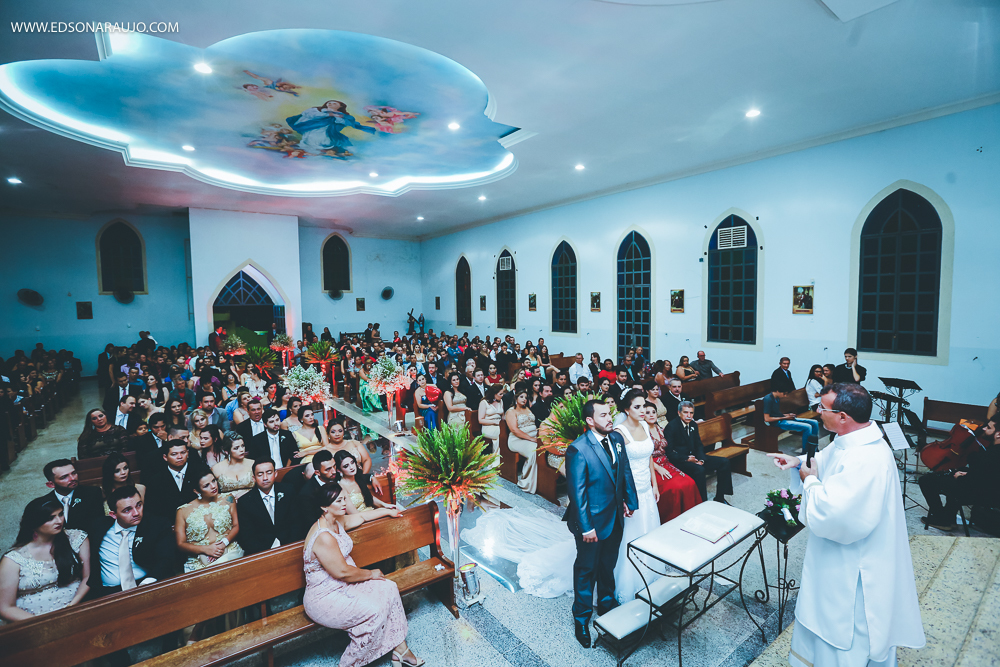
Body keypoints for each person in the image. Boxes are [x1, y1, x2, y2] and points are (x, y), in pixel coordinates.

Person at [768, 384, 925, 667]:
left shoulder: (866, 458)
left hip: (853, 565)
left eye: (822, 408)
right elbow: (827, 463)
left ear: (842, 416)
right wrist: (798, 463)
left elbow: (836, 516)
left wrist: (810, 481)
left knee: (844, 627)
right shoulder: (851, 440)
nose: (817, 411)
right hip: (832, 560)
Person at [302, 484, 418, 667]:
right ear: (324, 507)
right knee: (373, 611)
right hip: (325, 596)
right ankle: (349, 664)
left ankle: (400, 650)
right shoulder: (323, 536)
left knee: (389, 587)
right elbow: (343, 572)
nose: (344, 503)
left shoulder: (337, 521)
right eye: (339, 500)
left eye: (344, 498)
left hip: (344, 584)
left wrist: (387, 512)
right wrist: (371, 573)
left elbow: (362, 516)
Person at [565, 399, 639, 648]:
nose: (610, 418)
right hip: (592, 522)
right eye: (604, 415)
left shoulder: (616, 440)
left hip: (615, 517)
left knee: (608, 565)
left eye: (610, 413)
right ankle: (581, 618)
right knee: (586, 570)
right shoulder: (578, 449)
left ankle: (607, 604)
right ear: (590, 421)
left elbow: (624, 471)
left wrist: (629, 500)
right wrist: (586, 527)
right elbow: (578, 494)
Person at [0, 497, 90, 623]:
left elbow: (88, 577)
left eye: (60, 514)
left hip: (76, 610)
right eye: (50, 518)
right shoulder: (13, 560)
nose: (59, 521)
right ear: (33, 523)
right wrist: (44, 623)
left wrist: (72, 606)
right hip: (33, 624)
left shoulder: (76, 539)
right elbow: (5, 608)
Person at [611, 390, 662, 603]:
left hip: (647, 490)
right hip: (630, 492)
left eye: (644, 406)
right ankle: (628, 584)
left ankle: (653, 576)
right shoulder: (619, 432)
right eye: (637, 407)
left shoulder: (644, 426)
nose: (642, 411)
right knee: (630, 538)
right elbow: (617, 468)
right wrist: (623, 498)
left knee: (649, 530)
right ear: (626, 409)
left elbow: (649, 456)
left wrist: (655, 484)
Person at [88, 485, 176, 598]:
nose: (136, 513)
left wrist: (146, 584)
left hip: (146, 584)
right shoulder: (98, 527)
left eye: (139, 505)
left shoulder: (157, 525)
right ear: (113, 515)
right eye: (127, 510)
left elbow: (166, 559)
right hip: (108, 592)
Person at [919, 418, 1000, 530]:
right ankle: (948, 517)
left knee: (926, 480)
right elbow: (986, 475)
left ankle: (941, 519)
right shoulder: (992, 450)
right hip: (991, 493)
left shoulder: (990, 456)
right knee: (957, 475)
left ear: (998, 434)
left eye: (989, 427)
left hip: (982, 495)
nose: (984, 428)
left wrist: (960, 477)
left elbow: (975, 481)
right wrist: (967, 473)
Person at [175, 468, 243, 572]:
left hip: (229, 551)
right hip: (199, 559)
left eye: (213, 480)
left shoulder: (228, 499)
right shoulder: (182, 511)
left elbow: (236, 525)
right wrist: (206, 549)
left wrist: (224, 543)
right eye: (206, 485)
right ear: (196, 491)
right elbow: (181, 544)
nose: (213, 486)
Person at [665, 401, 733, 504]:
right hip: (681, 460)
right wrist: (687, 459)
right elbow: (670, 453)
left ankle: (720, 497)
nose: (689, 416)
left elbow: (698, 445)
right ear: (679, 413)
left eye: (691, 413)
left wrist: (701, 459)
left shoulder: (693, 424)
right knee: (699, 470)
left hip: (695, 458)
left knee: (724, 462)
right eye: (685, 412)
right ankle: (702, 502)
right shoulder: (671, 427)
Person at [644, 402, 701, 522]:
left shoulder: (659, 428)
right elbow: (644, 456)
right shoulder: (642, 431)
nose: (651, 415)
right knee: (675, 487)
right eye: (647, 413)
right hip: (652, 466)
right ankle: (672, 519)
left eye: (653, 412)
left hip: (666, 461)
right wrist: (658, 468)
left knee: (689, 482)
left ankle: (691, 515)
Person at [237, 459, 301, 554]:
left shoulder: (288, 490)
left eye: (269, 473)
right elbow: (247, 536)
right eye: (260, 474)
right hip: (262, 552)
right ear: (254, 478)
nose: (265, 478)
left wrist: (290, 547)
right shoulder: (245, 502)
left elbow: (296, 522)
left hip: (290, 545)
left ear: (275, 474)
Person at [40, 459, 105, 532]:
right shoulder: (44, 503)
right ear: (51, 484)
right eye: (64, 477)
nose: (73, 478)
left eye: (74, 473)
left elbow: (99, 524)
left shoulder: (92, 493)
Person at [144, 441, 200, 520]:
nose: (180, 457)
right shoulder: (155, 480)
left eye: (183, 452)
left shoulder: (199, 472)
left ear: (188, 453)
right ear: (165, 457)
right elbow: (152, 509)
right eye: (174, 454)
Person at [505, 388, 539, 493]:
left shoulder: (528, 409)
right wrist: (531, 439)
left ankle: (541, 481)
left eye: (526, 397)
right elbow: (514, 430)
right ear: (516, 398)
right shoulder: (511, 411)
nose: (524, 399)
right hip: (517, 440)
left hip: (533, 437)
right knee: (534, 450)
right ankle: (526, 482)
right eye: (521, 397)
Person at [101, 453, 146, 517]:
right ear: (109, 473)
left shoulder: (140, 488)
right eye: (117, 471)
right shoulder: (103, 492)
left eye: (125, 468)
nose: (123, 473)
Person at [212, 434, 255, 499]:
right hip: (226, 504)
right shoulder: (216, 468)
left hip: (251, 499)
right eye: (236, 448)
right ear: (227, 451)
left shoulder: (253, 464)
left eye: (243, 446)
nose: (241, 450)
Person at [478, 385, 504, 454]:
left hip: (499, 425)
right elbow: (480, 420)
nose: (502, 395)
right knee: (501, 433)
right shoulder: (484, 402)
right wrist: (494, 422)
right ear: (494, 394)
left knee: (506, 431)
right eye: (500, 394)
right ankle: (496, 458)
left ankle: (505, 457)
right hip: (488, 427)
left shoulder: (501, 401)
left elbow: (503, 416)